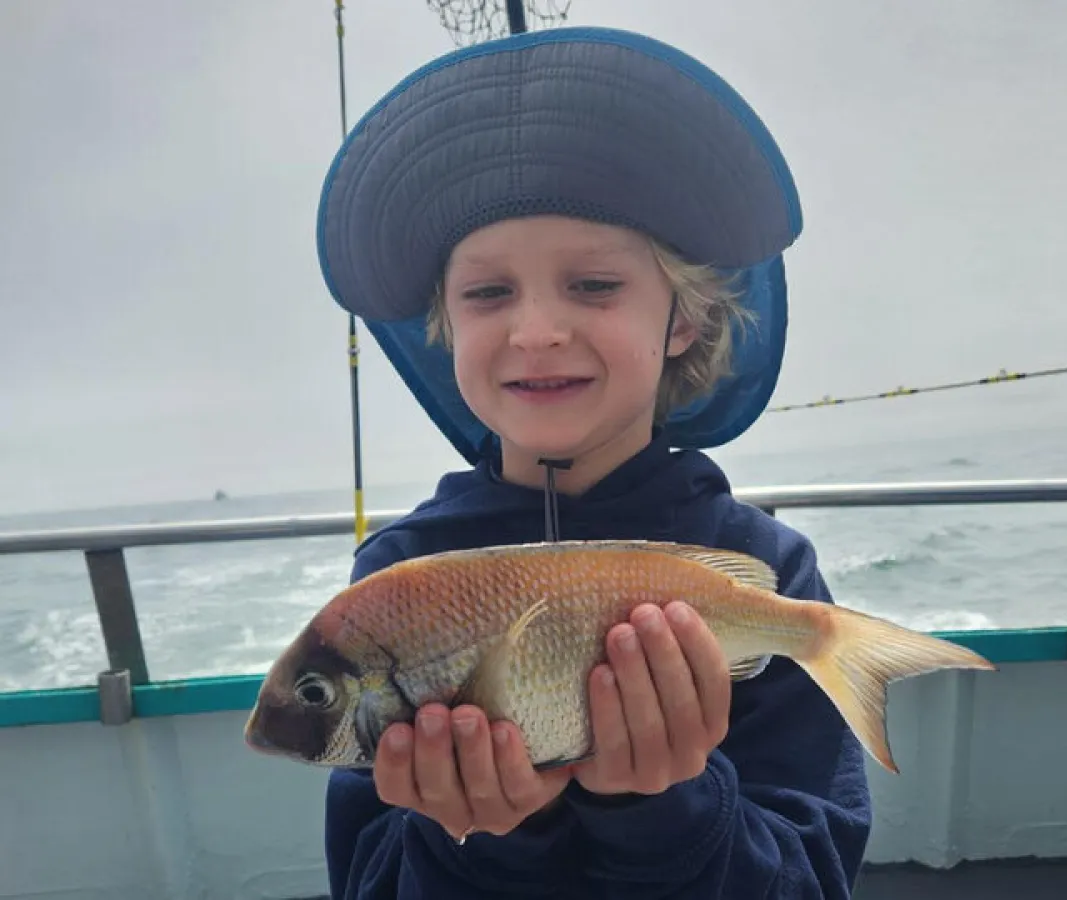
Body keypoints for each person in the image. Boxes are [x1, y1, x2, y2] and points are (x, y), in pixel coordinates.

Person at [315, 25, 871, 899]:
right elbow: (369, 881)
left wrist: (667, 806)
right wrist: (493, 833)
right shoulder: (399, 576)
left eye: (595, 285)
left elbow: (813, 878)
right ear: (449, 329)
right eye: (488, 292)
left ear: (683, 318)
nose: (536, 329)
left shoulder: (768, 573)